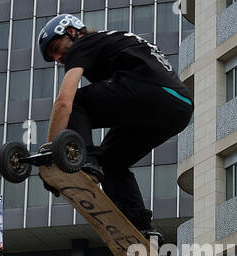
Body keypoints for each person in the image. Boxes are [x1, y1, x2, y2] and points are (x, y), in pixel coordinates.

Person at [39, 14, 194, 237]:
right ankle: (141, 227)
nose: (57, 57)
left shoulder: (82, 45)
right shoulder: (112, 40)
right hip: (179, 107)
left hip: (152, 93)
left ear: (72, 32)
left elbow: (64, 103)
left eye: (55, 47)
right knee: (112, 162)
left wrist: (52, 154)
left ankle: (86, 164)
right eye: (51, 56)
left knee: (77, 102)